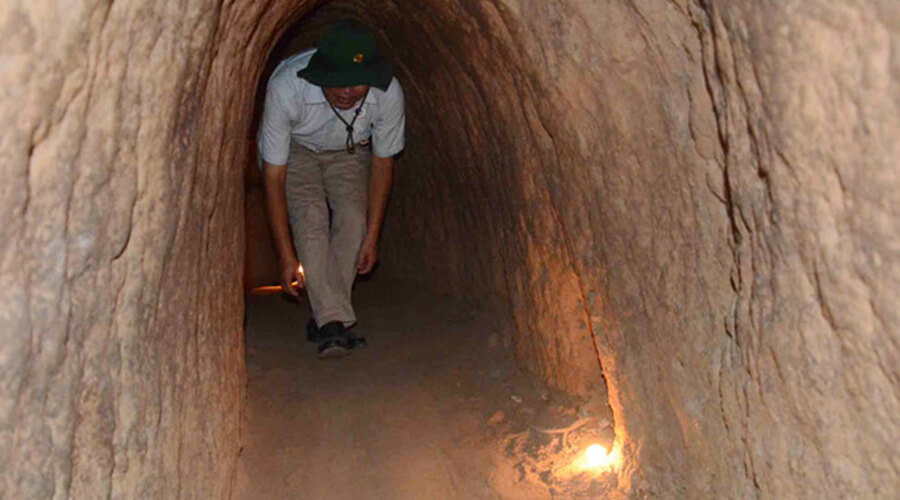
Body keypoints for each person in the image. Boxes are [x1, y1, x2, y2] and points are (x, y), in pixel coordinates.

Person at [258, 21, 405, 359]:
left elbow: (383, 164)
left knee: (354, 221)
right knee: (311, 217)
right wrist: (285, 257)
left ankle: (327, 314)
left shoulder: (388, 92)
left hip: (349, 149)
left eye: (356, 82)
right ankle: (331, 324)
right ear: (318, 73)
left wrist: (373, 237)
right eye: (336, 82)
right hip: (295, 150)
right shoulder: (287, 87)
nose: (346, 91)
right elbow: (274, 177)